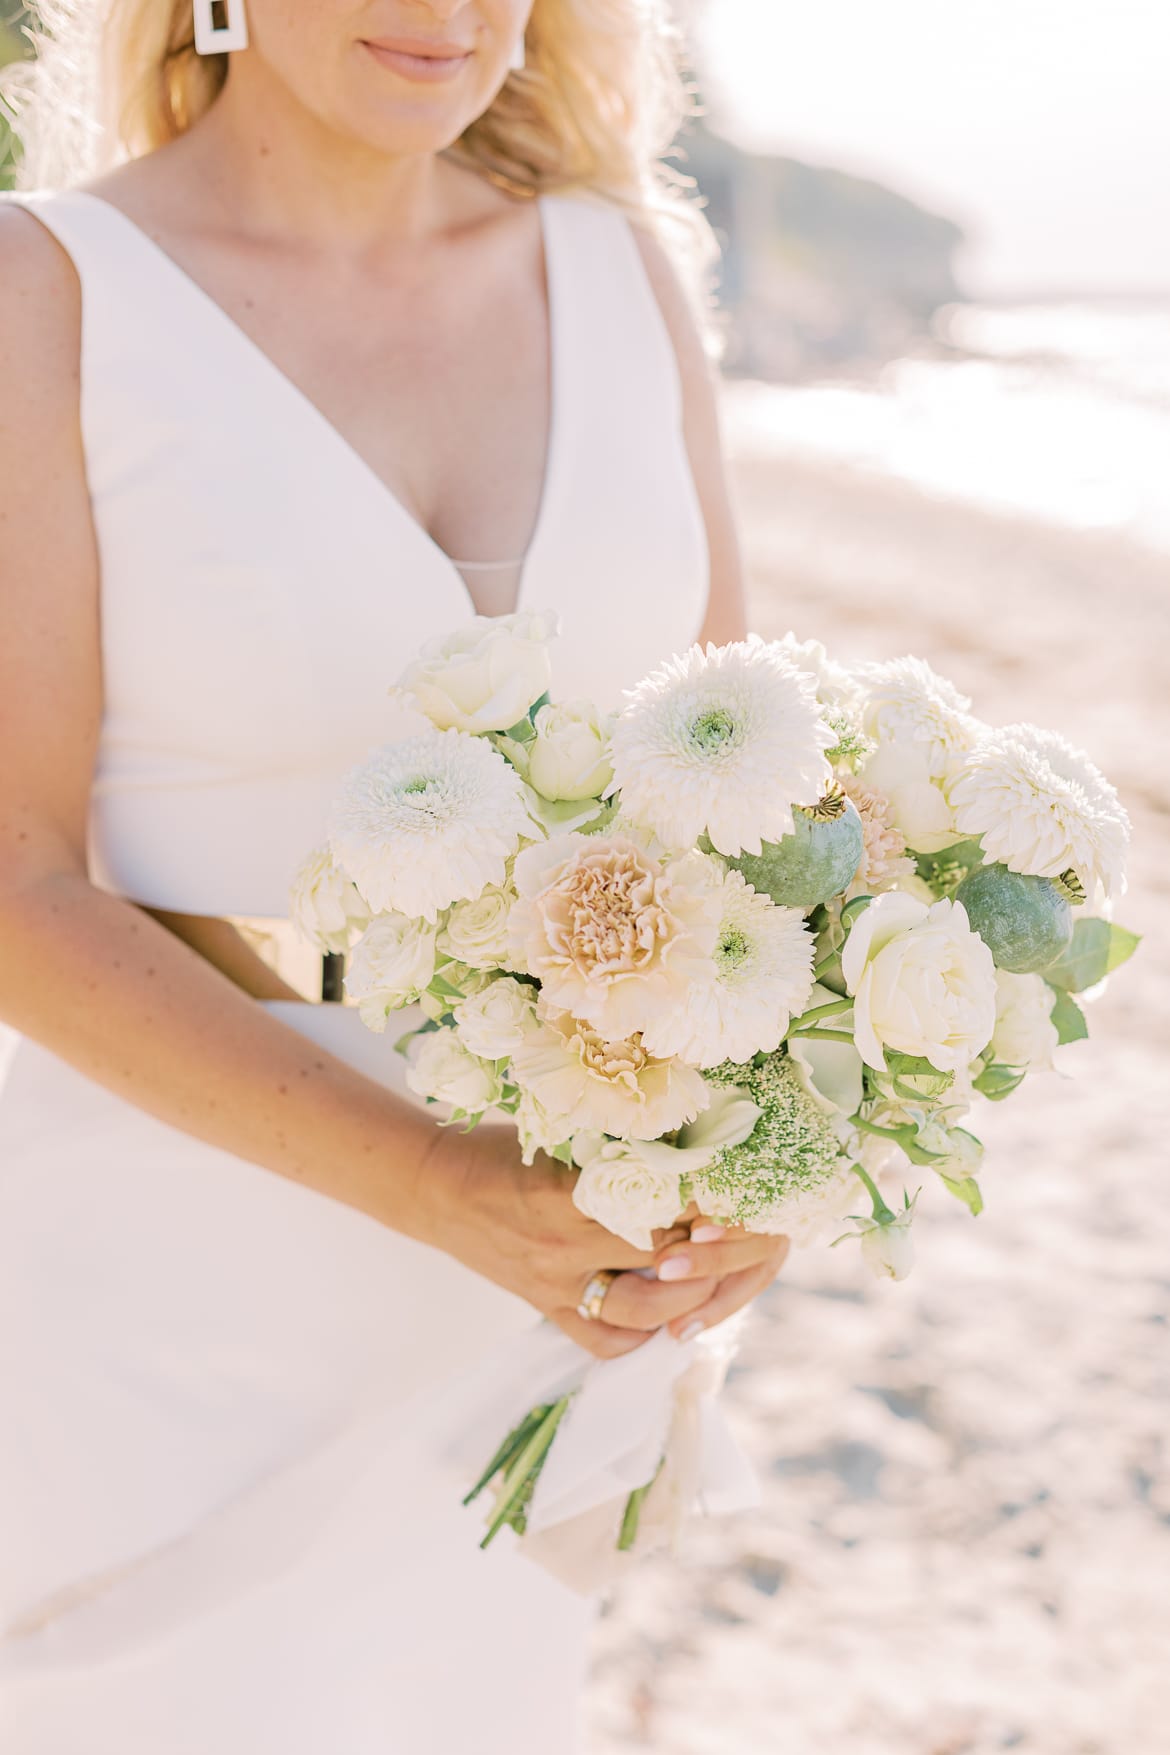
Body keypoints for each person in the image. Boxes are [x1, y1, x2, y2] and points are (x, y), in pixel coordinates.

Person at [0, 0, 790, 1747]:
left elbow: (742, 800)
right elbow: (13, 883)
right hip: (171, 1269)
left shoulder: (619, 268)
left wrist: (761, 1166)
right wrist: (434, 1182)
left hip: (542, 1293)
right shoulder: (45, 290)